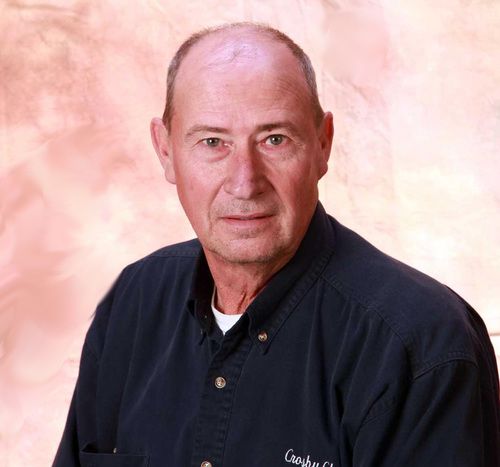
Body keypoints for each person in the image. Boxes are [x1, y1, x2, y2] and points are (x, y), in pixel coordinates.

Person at [53, 22, 500, 467]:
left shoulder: (420, 345)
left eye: (274, 139)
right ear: (166, 150)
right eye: (212, 142)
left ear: (322, 144)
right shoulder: (131, 305)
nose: (245, 182)